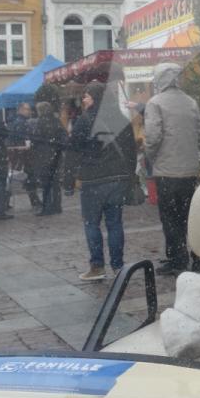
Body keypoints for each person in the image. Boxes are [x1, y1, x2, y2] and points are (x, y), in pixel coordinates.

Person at [143, 62, 200, 276]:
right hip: (189, 169)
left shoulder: (155, 103)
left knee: (170, 217)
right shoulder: (190, 102)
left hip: (167, 171)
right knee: (190, 216)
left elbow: (152, 136)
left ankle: (177, 258)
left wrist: (150, 156)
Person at [71, 81, 136, 281]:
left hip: (93, 180)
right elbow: (130, 148)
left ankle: (97, 266)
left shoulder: (84, 120)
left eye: (87, 96)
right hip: (116, 178)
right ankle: (118, 266)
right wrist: (129, 174)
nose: (84, 99)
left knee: (92, 223)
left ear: (95, 97)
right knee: (115, 223)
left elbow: (74, 149)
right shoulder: (119, 118)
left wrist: (73, 175)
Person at [30, 101, 66, 216]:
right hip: (56, 155)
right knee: (55, 182)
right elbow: (64, 136)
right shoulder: (56, 120)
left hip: (44, 156)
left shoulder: (40, 122)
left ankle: (47, 207)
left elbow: (35, 138)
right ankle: (57, 206)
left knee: (46, 183)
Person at [8, 102, 39, 210]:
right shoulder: (22, 123)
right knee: (28, 177)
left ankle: (4, 201)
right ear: (21, 110)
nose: (29, 111)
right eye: (27, 109)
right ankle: (35, 201)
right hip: (23, 154)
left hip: (17, 154)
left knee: (16, 178)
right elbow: (25, 138)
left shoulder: (15, 122)